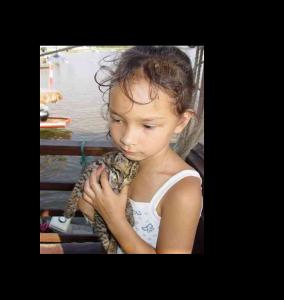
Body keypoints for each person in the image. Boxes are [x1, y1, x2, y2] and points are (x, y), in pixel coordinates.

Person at [77, 46, 203, 254]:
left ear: (181, 121)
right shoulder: (121, 164)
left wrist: (115, 220)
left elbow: (117, 226)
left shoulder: (183, 192)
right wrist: (92, 203)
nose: (127, 139)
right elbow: (102, 225)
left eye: (147, 126)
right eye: (117, 119)